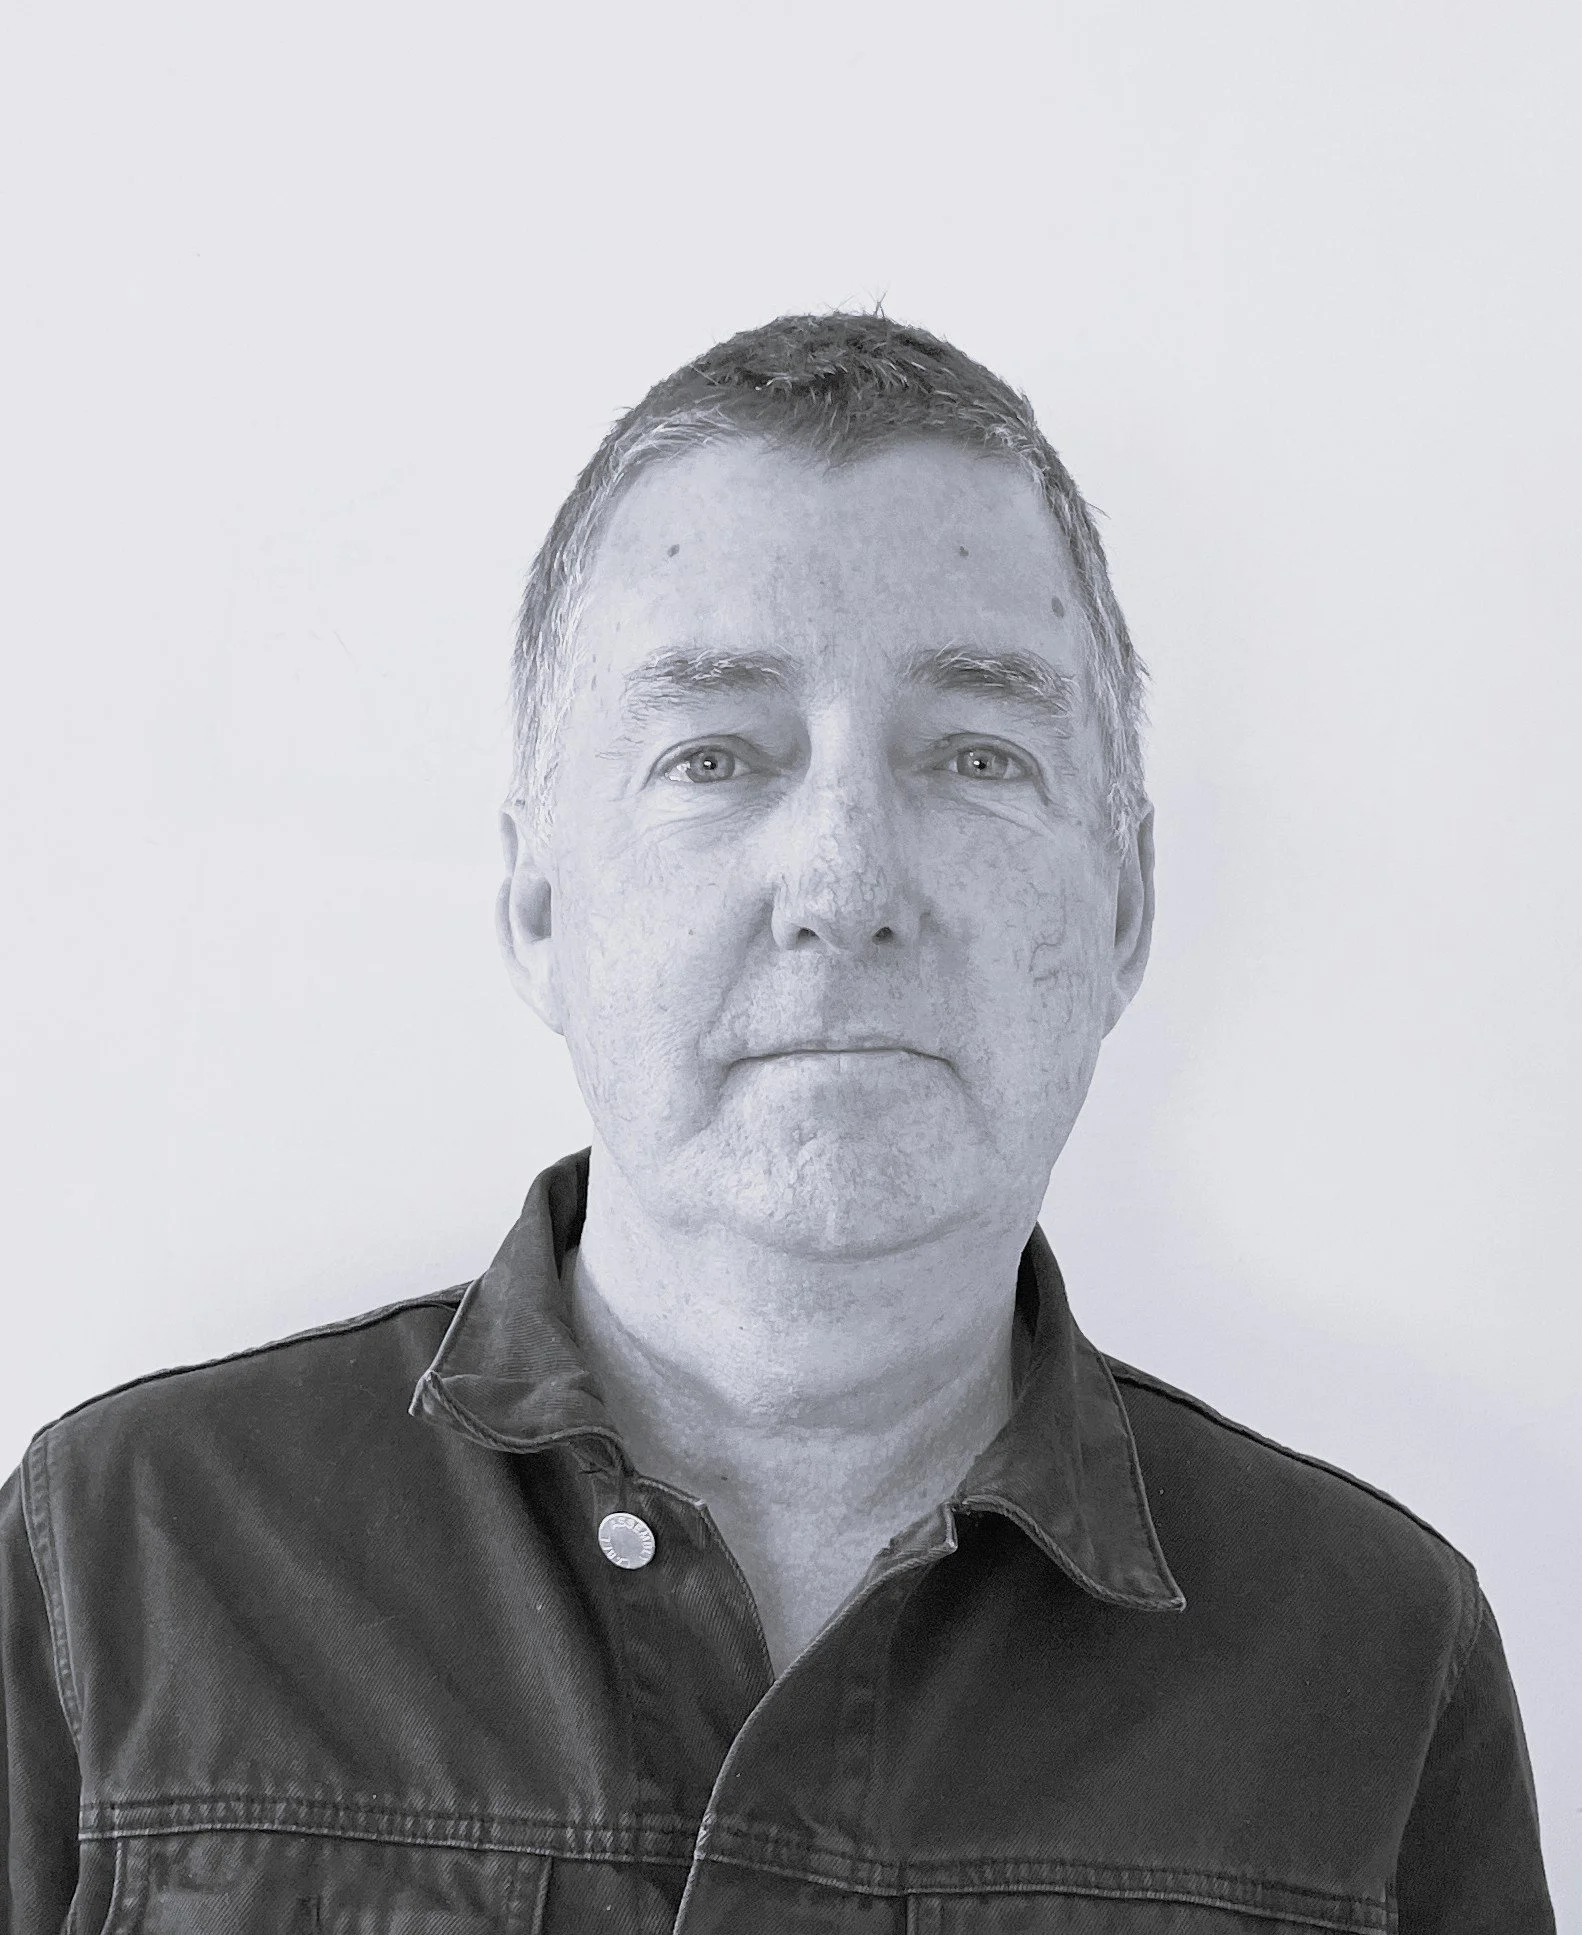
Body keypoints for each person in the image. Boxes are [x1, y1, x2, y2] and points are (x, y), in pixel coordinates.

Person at [0, 314, 1554, 1933]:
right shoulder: (120, 1568)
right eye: (714, 754)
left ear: (1124, 907)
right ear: (539, 900)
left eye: (974, 753)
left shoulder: (1373, 1668)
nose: (843, 883)